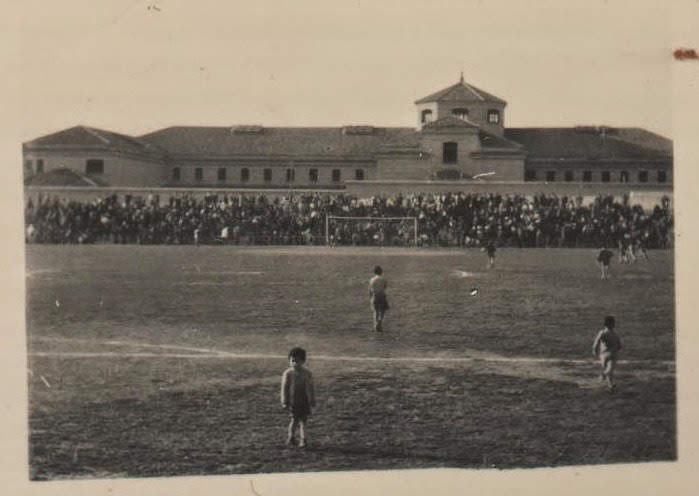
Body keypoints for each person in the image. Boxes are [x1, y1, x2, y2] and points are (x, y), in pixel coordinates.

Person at [280, 347, 316, 448]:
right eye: (293, 361)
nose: (295, 363)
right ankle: (291, 437)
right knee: (294, 420)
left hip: (304, 401)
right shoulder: (288, 374)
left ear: (303, 361)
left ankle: (303, 439)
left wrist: (311, 400)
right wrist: (284, 401)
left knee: (303, 420)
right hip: (293, 402)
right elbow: (284, 388)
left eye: (298, 361)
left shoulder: (307, 374)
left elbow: (310, 388)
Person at [592, 316, 623, 392]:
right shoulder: (615, 334)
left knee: (608, 371)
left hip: (603, 355)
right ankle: (604, 375)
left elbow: (596, 342)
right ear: (612, 324)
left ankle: (611, 386)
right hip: (612, 355)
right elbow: (619, 346)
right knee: (609, 371)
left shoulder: (602, 332)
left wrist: (594, 350)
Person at [369, 265, 389, 332]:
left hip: (375, 296)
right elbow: (385, 287)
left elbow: (370, 290)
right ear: (381, 272)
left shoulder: (372, 280)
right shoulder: (384, 279)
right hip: (382, 296)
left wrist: (370, 298)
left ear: (374, 272)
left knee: (375, 311)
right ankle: (380, 321)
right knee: (383, 310)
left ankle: (375, 325)